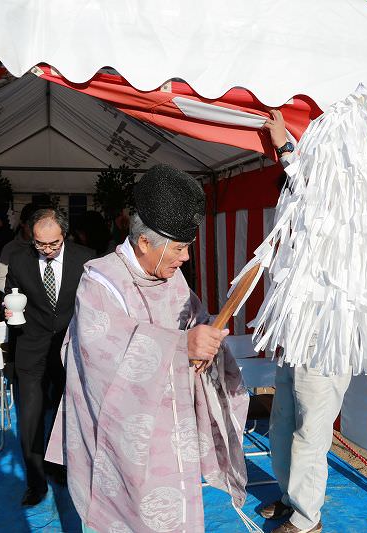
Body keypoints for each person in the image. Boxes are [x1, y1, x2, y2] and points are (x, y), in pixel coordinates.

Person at [46, 164, 250, 533]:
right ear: (144, 243)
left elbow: (194, 319)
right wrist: (180, 347)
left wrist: (207, 341)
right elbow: (101, 353)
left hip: (174, 425)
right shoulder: (100, 281)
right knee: (126, 513)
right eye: (180, 248)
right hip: (124, 432)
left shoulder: (170, 275)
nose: (186, 258)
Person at [257, 110, 350, 533]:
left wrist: (285, 149)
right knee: (282, 424)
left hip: (326, 342)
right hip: (296, 340)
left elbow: (313, 198)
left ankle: (307, 519)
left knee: (310, 432)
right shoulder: (296, 236)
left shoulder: (339, 215)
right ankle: (289, 497)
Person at [4, 208, 95, 506]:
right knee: (29, 418)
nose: (47, 250)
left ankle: (60, 468)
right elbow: (11, 295)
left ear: (64, 236)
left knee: (63, 414)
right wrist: (8, 312)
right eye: (40, 244)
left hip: (69, 349)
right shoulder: (18, 260)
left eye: (53, 244)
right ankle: (35, 482)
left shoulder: (86, 258)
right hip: (30, 349)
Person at [0, 202, 39, 293]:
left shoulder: (46, 247)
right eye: (30, 224)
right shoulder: (10, 248)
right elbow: (0, 280)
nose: (34, 228)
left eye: (38, 224)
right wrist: (16, 294)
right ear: (22, 223)